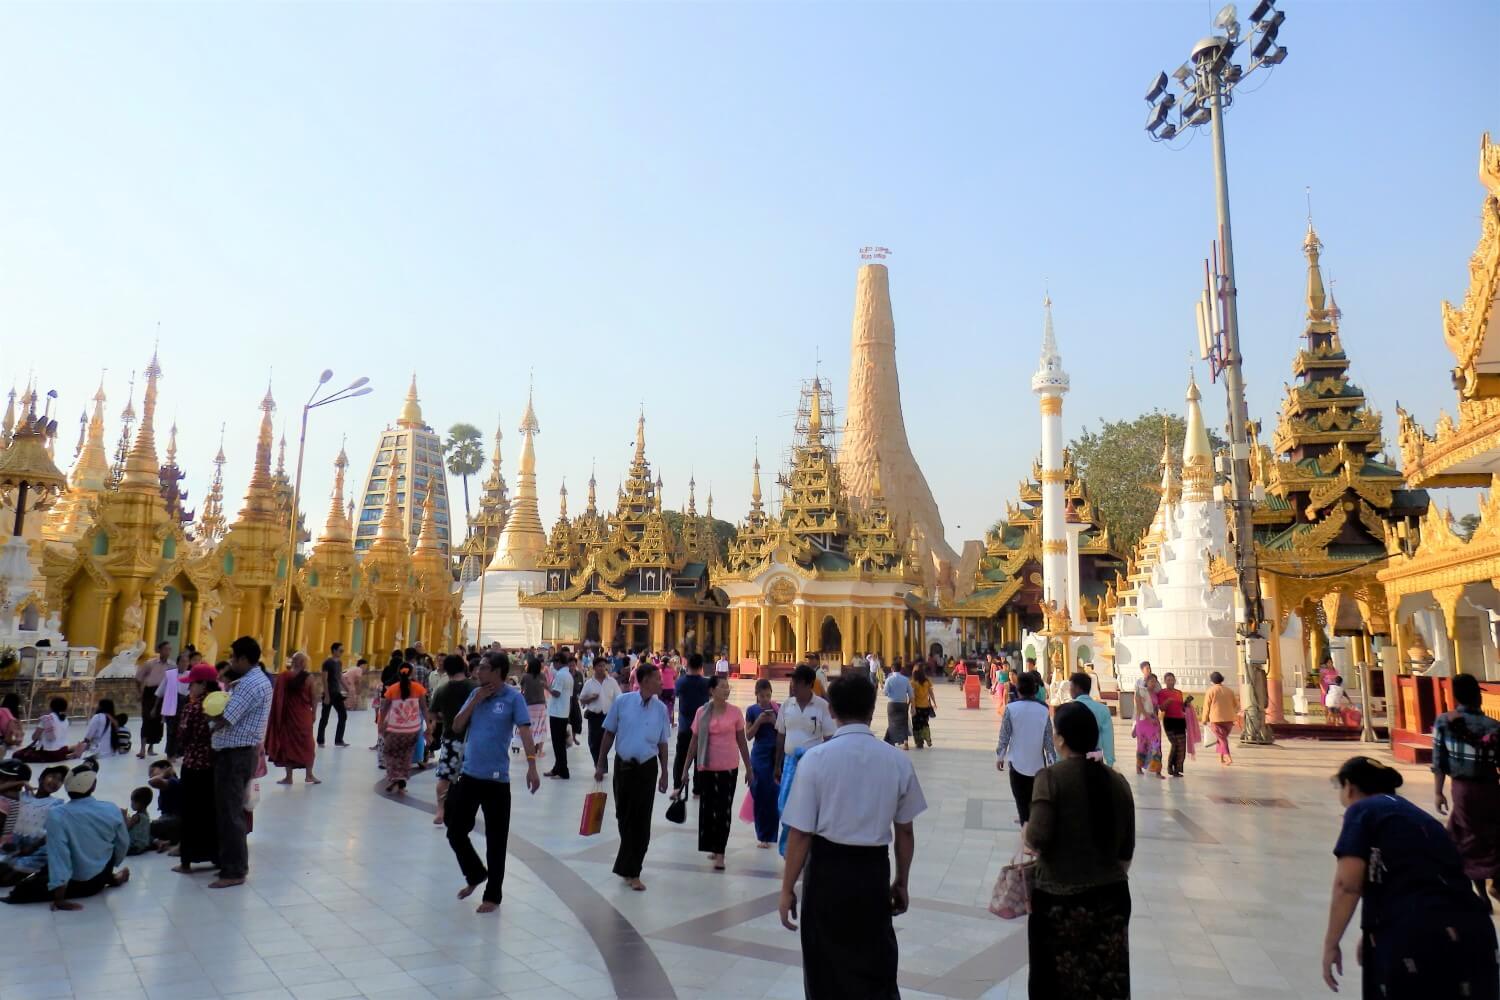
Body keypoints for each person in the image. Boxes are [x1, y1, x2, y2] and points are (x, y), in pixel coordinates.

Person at [779, 674, 927, 1000]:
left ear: (831, 711)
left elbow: (801, 833)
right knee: (874, 962)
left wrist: (788, 888)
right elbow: (905, 830)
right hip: (871, 872)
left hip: (826, 873)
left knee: (824, 964)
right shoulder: (896, 760)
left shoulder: (816, 760)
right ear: (873, 709)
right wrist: (901, 881)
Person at [1321, 755, 1498, 998]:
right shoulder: (1417, 817)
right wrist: (1373, 931)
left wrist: (1331, 944)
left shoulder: (1363, 810)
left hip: (1418, 939)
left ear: (1349, 787)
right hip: (1474, 934)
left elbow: (1347, 886)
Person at [1025, 701, 1136, 999]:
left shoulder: (1050, 779)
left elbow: (1036, 838)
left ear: (1060, 738)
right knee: (1105, 980)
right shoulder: (1118, 782)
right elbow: (1126, 852)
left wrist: (1025, 828)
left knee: (1057, 984)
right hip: (1111, 898)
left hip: (1060, 900)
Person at [445, 652, 541, 914]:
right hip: (470, 775)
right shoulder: (475, 694)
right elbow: (456, 726)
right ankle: (475, 873)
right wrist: (476, 699)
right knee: (454, 830)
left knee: (496, 840)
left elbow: (524, 731)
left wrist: (532, 766)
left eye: (484, 668)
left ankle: (492, 896)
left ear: (498, 671)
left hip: (497, 780)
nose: (478, 671)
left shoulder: (513, 698)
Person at [3, 766, 131, 909]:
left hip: (78, 882)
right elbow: (123, 844)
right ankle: (112, 877)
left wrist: (59, 899)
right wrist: (111, 864)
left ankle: (112, 878)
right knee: (105, 847)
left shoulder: (57, 814)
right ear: (93, 787)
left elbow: (60, 857)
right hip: (99, 877)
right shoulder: (111, 808)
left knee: (21, 890)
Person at [594, 663, 672, 892]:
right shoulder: (623, 702)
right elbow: (609, 733)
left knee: (641, 821)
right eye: (658, 679)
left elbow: (663, 743)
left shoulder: (661, 710)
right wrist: (600, 763)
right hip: (623, 768)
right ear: (645, 681)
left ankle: (633, 870)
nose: (662, 682)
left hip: (647, 769)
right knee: (623, 816)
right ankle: (628, 864)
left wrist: (665, 772)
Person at [207, 636, 273, 889]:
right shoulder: (254, 680)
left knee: (230, 811)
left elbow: (226, 716)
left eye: (234, 657)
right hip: (240, 751)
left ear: (245, 659)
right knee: (229, 809)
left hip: (236, 753)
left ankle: (234, 869)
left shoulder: (248, 684)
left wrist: (207, 715)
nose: (232, 661)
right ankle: (229, 863)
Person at [1432, 672, 1500, 906]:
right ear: (1478, 698)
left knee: (1468, 837)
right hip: (1490, 789)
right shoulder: (1493, 726)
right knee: (1492, 835)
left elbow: (1438, 760)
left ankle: (1480, 890)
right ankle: (1496, 882)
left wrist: (1438, 792)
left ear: (1456, 697)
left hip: (1462, 790)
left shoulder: (1444, 721)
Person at [680, 676, 752, 871]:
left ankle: (720, 853)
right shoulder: (701, 712)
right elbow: (694, 742)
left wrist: (749, 767)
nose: (726, 690)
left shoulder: (735, 713)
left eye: (728, 687)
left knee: (723, 811)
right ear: (711, 690)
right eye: (722, 687)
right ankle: (713, 844)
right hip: (706, 768)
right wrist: (685, 769)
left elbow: (742, 742)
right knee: (709, 809)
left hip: (729, 767)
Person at [173, 664, 220, 873]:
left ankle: (187, 860)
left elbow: (183, 737)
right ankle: (215, 855)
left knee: (191, 812)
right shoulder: (220, 706)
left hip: (193, 765)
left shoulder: (192, 708)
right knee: (211, 811)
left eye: (192, 684)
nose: (190, 688)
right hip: (214, 765)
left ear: (202, 684)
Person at [995, 671, 1056, 827]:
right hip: (1038, 765)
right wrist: (1051, 761)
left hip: (1017, 764)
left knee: (1022, 803)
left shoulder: (1011, 709)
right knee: (1034, 800)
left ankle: (1026, 831)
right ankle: (1032, 830)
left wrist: (1000, 756)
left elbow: (1004, 735)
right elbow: (1049, 739)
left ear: (1018, 688)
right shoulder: (1044, 710)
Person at [429, 655, 476, 826]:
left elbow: (432, 714)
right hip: (471, 739)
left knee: (445, 776)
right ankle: (465, 810)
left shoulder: (442, 689)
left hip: (450, 739)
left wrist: (445, 717)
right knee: (469, 777)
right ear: (464, 668)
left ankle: (440, 809)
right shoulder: (474, 688)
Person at [267, 651, 319, 786]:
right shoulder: (309, 678)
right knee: (308, 745)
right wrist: (314, 713)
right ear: (303, 663)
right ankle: (309, 775)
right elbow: (314, 697)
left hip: (288, 716)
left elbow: (278, 697)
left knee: (287, 745)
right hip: (304, 716)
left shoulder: (284, 676)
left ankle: (288, 777)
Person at [380, 666, 428, 794]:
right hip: (413, 729)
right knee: (406, 755)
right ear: (412, 674)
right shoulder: (418, 688)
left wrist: (380, 724)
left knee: (390, 753)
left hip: (394, 729)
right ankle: (401, 782)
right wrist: (429, 724)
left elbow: (384, 709)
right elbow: (424, 708)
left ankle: (395, 778)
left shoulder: (392, 689)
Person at [745, 679, 780, 848]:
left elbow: (784, 731)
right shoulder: (751, 711)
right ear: (756, 695)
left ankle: (771, 835)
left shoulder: (778, 708)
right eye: (762, 695)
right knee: (759, 792)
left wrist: (774, 721)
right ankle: (761, 835)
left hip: (775, 755)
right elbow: (748, 735)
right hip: (759, 755)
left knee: (773, 794)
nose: (765, 699)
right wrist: (759, 721)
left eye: (768, 695)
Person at [673, 653, 711, 792]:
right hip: (702, 726)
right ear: (701, 667)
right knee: (699, 757)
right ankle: (698, 787)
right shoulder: (706, 683)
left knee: (681, 757)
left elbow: (676, 694)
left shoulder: (681, 682)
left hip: (684, 725)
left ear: (687, 665)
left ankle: (678, 784)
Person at [579, 657, 621, 774]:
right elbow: (582, 699)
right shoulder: (589, 683)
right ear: (594, 667)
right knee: (593, 743)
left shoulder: (611, 682)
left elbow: (619, 698)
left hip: (607, 716)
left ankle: (601, 766)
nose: (602, 668)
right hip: (594, 716)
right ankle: (598, 764)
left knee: (604, 742)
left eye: (603, 666)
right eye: (599, 666)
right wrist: (590, 698)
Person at [1069, 671, 1115, 767]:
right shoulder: (1103, 709)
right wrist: (1109, 762)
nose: (1070, 690)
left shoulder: (1068, 709)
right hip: (1096, 756)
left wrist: (1058, 761)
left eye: (1071, 687)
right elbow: (1108, 737)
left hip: (1074, 757)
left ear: (1077, 688)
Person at [135, 641, 172, 759]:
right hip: (150, 692)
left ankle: (151, 747)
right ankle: (142, 748)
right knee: (147, 719)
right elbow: (138, 677)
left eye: (169, 649)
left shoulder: (172, 666)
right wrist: (140, 692)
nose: (167, 652)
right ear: (159, 650)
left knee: (157, 722)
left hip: (162, 694)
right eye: (165, 649)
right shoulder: (150, 664)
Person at [13, 697, 78, 762]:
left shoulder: (46, 719)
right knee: (60, 753)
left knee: (17, 755)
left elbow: (34, 737)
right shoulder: (65, 719)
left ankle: (69, 754)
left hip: (50, 753)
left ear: (51, 707)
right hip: (63, 750)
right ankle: (71, 753)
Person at [544, 650, 575, 779]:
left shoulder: (561, 676)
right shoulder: (568, 675)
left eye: (554, 662)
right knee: (559, 744)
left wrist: (546, 687)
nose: (553, 665)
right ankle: (559, 768)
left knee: (558, 744)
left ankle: (563, 770)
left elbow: (556, 693)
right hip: (562, 711)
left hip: (557, 713)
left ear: (558, 662)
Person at [1201, 670, 1239, 765]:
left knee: (1222, 739)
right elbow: (1236, 705)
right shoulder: (1229, 691)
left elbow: (1207, 706)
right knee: (1221, 738)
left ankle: (1229, 758)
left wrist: (1204, 719)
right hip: (1229, 720)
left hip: (1216, 719)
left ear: (1212, 681)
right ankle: (1221, 758)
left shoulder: (1211, 691)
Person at [317, 641, 350, 748]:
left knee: (343, 715)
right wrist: (326, 695)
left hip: (337, 693)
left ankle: (339, 739)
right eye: (340, 650)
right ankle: (320, 740)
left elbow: (340, 677)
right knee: (325, 718)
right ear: (334, 650)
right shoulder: (327, 663)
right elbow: (324, 679)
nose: (342, 653)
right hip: (329, 692)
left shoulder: (339, 663)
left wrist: (347, 688)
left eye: (343, 651)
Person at [1157, 672, 1190, 777]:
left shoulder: (1179, 693)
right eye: (1168, 680)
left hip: (1180, 721)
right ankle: (1170, 767)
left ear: (1175, 680)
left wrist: (1186, 703)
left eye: (1172, 679)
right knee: (1175, 744)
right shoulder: (1162, 692)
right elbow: (1161, 708)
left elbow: (1182, 708)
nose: (1170, 682)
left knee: (1182, 746)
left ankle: (1178, 769)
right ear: (1165, 681)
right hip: (1169, 721)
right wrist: (1168, 701)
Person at [519, 656, 549, 764]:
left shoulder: (525, 677)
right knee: (541, 728)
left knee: (530, 728)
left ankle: (530, 750)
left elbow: (521, 689)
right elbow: (546, 687)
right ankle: (540, 751)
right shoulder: (542, 676)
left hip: (528, 705)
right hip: (540, 705)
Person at [147, 759, 182, 848]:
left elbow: (152, 782)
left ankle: (157, 841)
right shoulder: (170, 782)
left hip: (175, 820)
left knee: (143, 828)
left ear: (165, 768)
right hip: (171, 821)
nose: (150, 775)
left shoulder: (172, 781)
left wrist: (163, 774)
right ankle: (162, 841)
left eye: (152, 771)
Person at [883, 664, 912, 749]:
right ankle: (905, 742)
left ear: (892, 669)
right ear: (900, 670)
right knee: (904, 723)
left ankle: (892, 741)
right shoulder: (906, 679)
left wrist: (882, 688)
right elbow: (911, 694)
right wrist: (912, 707)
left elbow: (885, 693)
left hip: (892, 704)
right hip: (903, 704)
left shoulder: (889, 679)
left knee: (892, 722)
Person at [910, 665, 936, 749]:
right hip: (926, 707)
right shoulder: (927, 681)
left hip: (917, 706)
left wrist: (912, 707)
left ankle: (919, 742)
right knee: (925, 723)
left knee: (916, 725)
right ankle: (928, 738)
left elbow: (912, 696)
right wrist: (934, 702)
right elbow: (931, 692)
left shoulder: (913, 682)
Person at [124, 787, 153, 856]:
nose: (131, 804)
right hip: (144, 845)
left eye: (132, 801)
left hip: (134, 847)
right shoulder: (146, 815)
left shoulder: (136, 817)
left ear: (139, 803)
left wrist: (124, 816)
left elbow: (125, 828)